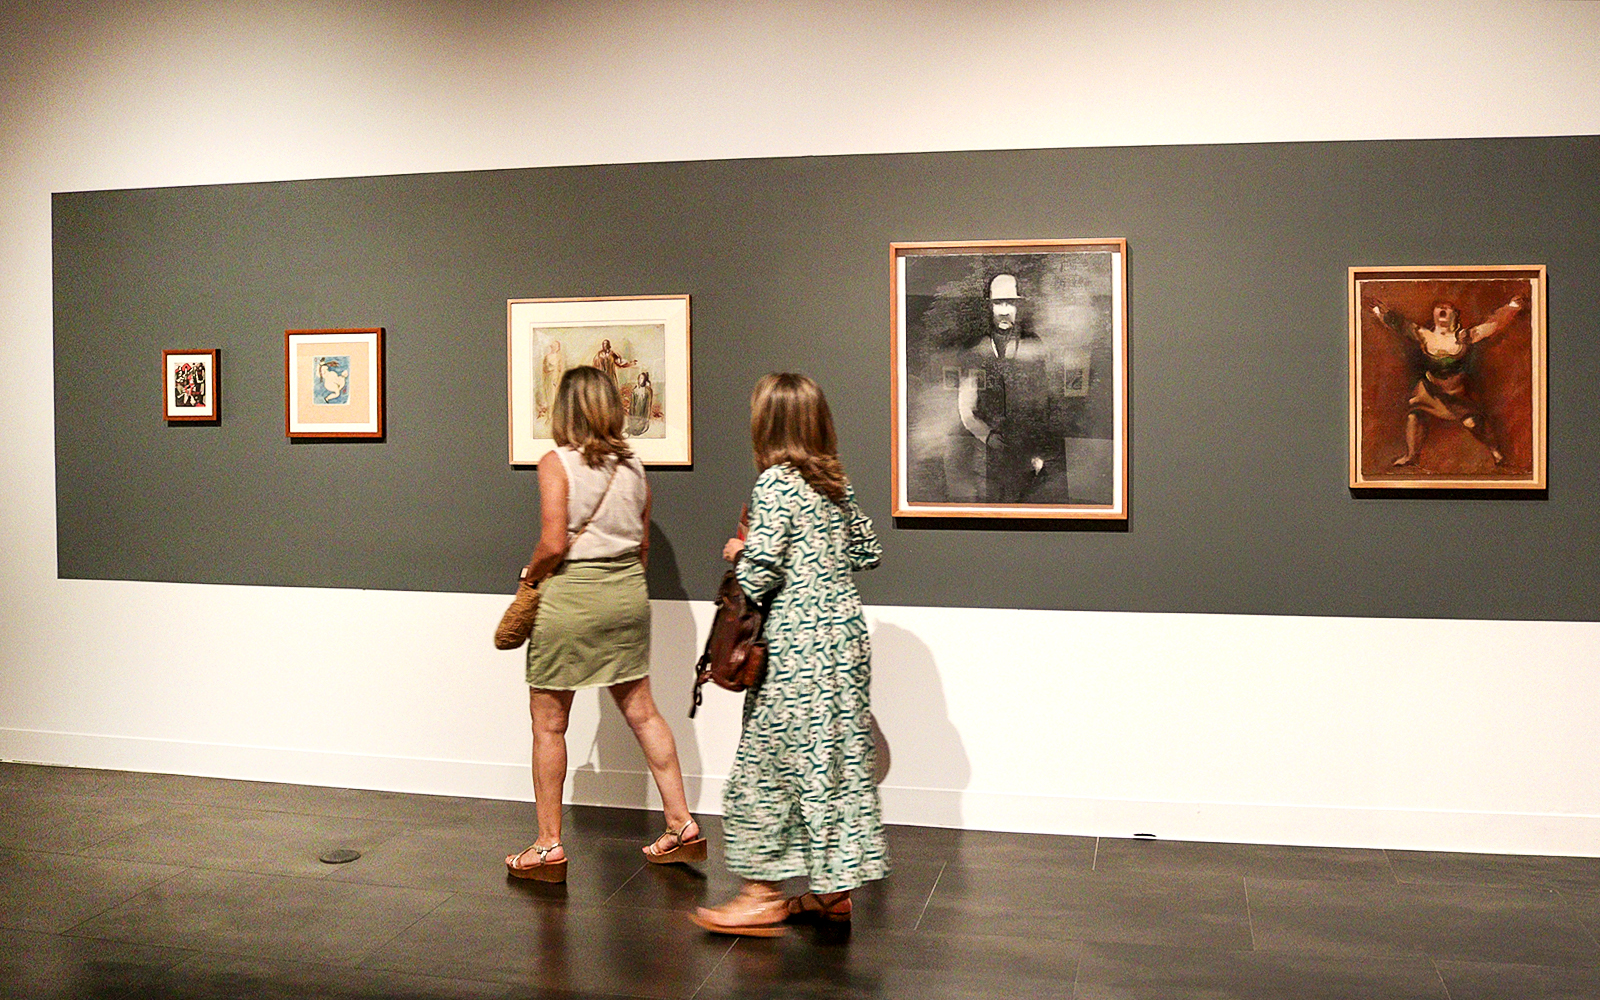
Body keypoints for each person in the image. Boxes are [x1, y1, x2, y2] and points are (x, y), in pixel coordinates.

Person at [691, 372, 887, 936]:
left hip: (799, 643)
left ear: (767, 423)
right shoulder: (835, 483)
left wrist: (741, 549)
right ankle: (832, 894)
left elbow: (759, 573)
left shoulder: (776, 483)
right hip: (845, 639)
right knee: (832, 762)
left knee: (767, 763)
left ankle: (761, 895)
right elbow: (867, 551)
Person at [504, 365, 702, 882]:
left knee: (549, 723)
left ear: (564, 409)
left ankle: (548, 846)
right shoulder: (633, 465)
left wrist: (530, 576)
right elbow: (641, 544)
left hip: (572, 596)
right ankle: (681, 825)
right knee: (644, 712)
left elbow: (552, 543)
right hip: (627, 594)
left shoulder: (555, 463)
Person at [949, 273, 1068, 502]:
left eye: (1010, 302)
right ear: (989, 306)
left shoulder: (1034, 346)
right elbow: (966, 407)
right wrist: (988, 436)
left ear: (1019, 305)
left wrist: (1037, 453)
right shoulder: (975, 350)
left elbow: (1044, 405)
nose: (1004, 310)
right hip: (986, 460)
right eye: (998, 303)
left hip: (1026, 460)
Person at [1371, 295, 1524, 467]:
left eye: (1447, 307)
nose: (1443, 309)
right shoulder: (1424, 335)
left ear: (1454, 315)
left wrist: (1511, 307)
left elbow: (1491, 326)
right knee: (1415, 416)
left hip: (1456, 393)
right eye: (1439, 307)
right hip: (1430, 391)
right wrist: (1380, 312)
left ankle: (1496, 452)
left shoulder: (1464, 337)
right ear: (1434, 313)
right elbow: (1402, 325)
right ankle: (1411, 455)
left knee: (1473, 423)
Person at [626, 371, 654, 436]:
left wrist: (646, 419)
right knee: (633, 428)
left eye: (642, 378)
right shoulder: (635, 390)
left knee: (638, 430)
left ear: (644, 380)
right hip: (635, 411)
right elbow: (632, 404)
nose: (640, 380)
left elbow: (647, 406)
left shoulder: (647, 391)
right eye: (639, 378)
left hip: (642, 412)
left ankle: (640, 427)